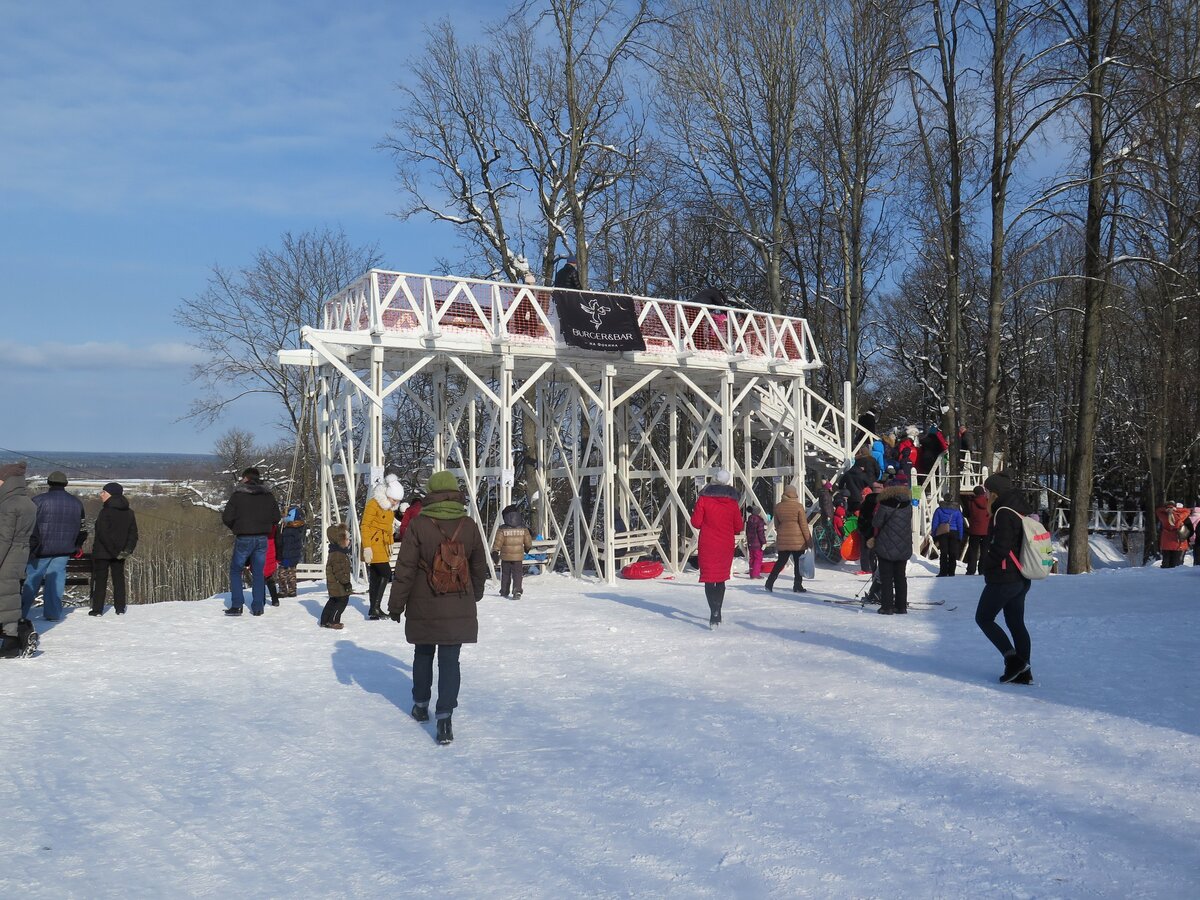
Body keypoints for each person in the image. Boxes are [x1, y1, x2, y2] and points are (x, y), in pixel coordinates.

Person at [388, 470, 489, 745]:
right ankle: (445, 718)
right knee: (450, 660)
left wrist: (395, 605)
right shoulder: (468, 525)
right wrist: (473, 594)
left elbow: (405, 569)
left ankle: (421, 705)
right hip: (458, 601)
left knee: (423, 653)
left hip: (423, 601)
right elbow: (480, 565)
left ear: (431, 493)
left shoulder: (419, 525)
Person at [975, 472, 1034, 683]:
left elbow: (1001, 547)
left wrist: (986, 564)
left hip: (1004, 577)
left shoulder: (1003, 512)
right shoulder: (1020, 509)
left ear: (994, 493)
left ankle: (1014, 661)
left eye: (986, 492)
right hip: (1021, 576)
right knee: (1016, 623)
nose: (985, 495)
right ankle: (1023, 672)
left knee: (983, 618)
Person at [21, 470, 85, 622]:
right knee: (56, 581)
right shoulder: (76, 503)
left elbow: (28, 525)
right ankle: (53, 613)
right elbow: (82, 529)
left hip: (40, 549)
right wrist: (77, 545)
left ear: (49, 483)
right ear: (65, 484)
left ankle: (20, 612)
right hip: (64, 549)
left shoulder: (38, 500)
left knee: (31, 581)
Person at [221, 467, 281, 617]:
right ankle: (258, 607)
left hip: (244, 538)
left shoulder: (238, 495)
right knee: (259, 573)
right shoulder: (268, 495)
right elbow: (276, 518)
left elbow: (227, 517)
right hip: (262, 539)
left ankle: (237, 605)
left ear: (246, 478)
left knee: (236, 570)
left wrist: (237, 527)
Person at [690, 469, 744, 628]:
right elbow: (738, 526)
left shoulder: (704, 499)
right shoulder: (733, 502)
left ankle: (713, 611)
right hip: (725, 544)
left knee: (709, 578)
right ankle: (717, 611)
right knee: (720, 578)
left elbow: (696, 522)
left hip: (708, 543)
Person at [0, 462, 38, 656]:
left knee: (5, 598)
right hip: (20, 555)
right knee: (11, 596)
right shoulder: (28, 503)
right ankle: (15, 635)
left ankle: (11, 641)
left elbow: (3, 538)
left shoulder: (8, 505)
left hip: (6, 558)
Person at [89, 482, 138, 616]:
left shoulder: (105, 512)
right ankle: (120, 608)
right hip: (120, 554)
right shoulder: (129, 512)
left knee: (100, 580)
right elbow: (133, 534)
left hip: (102, 552)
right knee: (119, 580)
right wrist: (126, 551)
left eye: (104, 492)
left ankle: (97, 609)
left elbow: (102, 533)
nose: (101, 495)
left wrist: (113, 551)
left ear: (111, 494)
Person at [361, 473, 405, 619]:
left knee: (375, 576)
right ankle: (375, 607)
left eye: (397, 501)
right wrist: (367, 547)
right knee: (386, 573)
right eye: (394, 500)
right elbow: (365, 525)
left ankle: (374, 609)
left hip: (383, 544)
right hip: (374, 545)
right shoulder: (374, 504)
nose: (395, 503)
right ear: (387, 495)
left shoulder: (389, 508)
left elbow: (388, 525)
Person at [869, 485, 912, 614]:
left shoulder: (885, 506)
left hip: (886, 545)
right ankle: (901, 606)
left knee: (886, 577)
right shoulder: (908, 506)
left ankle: (887, 606)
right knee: (900, 577)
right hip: (903, 546)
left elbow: (876, 523)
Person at [764, 484, 812, 595]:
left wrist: (782, 533)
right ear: (794, 493)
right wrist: (809, 541)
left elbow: (776, 525)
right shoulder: (799, 506)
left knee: (781, 562)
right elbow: (803, 525)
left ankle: (769, 582)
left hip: (783, 539)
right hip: (798, 540)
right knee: (798, 563)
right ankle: (797, 585)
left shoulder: (778, 507)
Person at [493, 503, 533, 599]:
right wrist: (527, 548)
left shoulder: (502, 529)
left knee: (506, 574)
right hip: (518, 557)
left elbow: (498, 542)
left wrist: (495, 551)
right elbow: (528, 541)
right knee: (517, 574)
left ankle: (504, 590)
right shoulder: (523, 528)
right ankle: (517, 590)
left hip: (505, 557)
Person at [320, 523, 353, 630]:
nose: (349, 541)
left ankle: (324, 620)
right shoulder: (338, 553)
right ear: (340, 540)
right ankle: (333, 620)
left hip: (335, 584)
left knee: (333, 600)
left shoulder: (336, 551)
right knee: (342, 600)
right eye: (347, 539)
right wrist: (346, 582)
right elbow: (339, 571)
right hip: (339, 584)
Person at [931, 493, 965, 577]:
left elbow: (935, 522)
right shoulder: (956, 511)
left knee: (944, 552)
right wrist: (960, 536)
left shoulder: (939, 510)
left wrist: (934, 534)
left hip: (943, 532)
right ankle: (951, 572)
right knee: (953, 553)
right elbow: (960, 524)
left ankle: (943, 572)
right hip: (954, 532)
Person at [275, 506, 305, 598]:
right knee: (289, 572)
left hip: (287, 555)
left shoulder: (290, 530)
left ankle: (285, 590)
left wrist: (282, 555)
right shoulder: (296, 528)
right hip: (291, 555)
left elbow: (286, 544)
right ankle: (290, 590)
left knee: (284, 573)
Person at [1155, 501, 1192, 568]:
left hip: (1166, 542)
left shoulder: (1163, 516)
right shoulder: (1179, 516)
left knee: (1166, 562)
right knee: (1176, 565)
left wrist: (1166, 509)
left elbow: (1158, 510)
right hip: (1177, 543)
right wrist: (1176, 509)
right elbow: (1187, 510)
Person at [964, 485, 990, 575]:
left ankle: (971, 570)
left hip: (974, 529)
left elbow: (966, 513)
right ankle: (982, 570)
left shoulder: (971, 502)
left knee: (973, 550)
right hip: (986, 530)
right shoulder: (988, 502)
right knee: (985, 551)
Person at [856, 483, 882, 576]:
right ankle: (874, 567)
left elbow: (862, 515)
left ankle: (865, 568)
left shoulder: (867, 502)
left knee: (864, 549)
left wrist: (860, 527)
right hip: (877, 529)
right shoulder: (882, 502)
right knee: (873, 550)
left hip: (866, 528)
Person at [745, 507, 767, 579]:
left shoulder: (749, 519)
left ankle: (752, 573)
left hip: (750, 542)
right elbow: (761, 533)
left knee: (752, 558)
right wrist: (763, 542)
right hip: (757, 543)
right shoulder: (759, 521)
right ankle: (756, 574)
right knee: (758, 558)